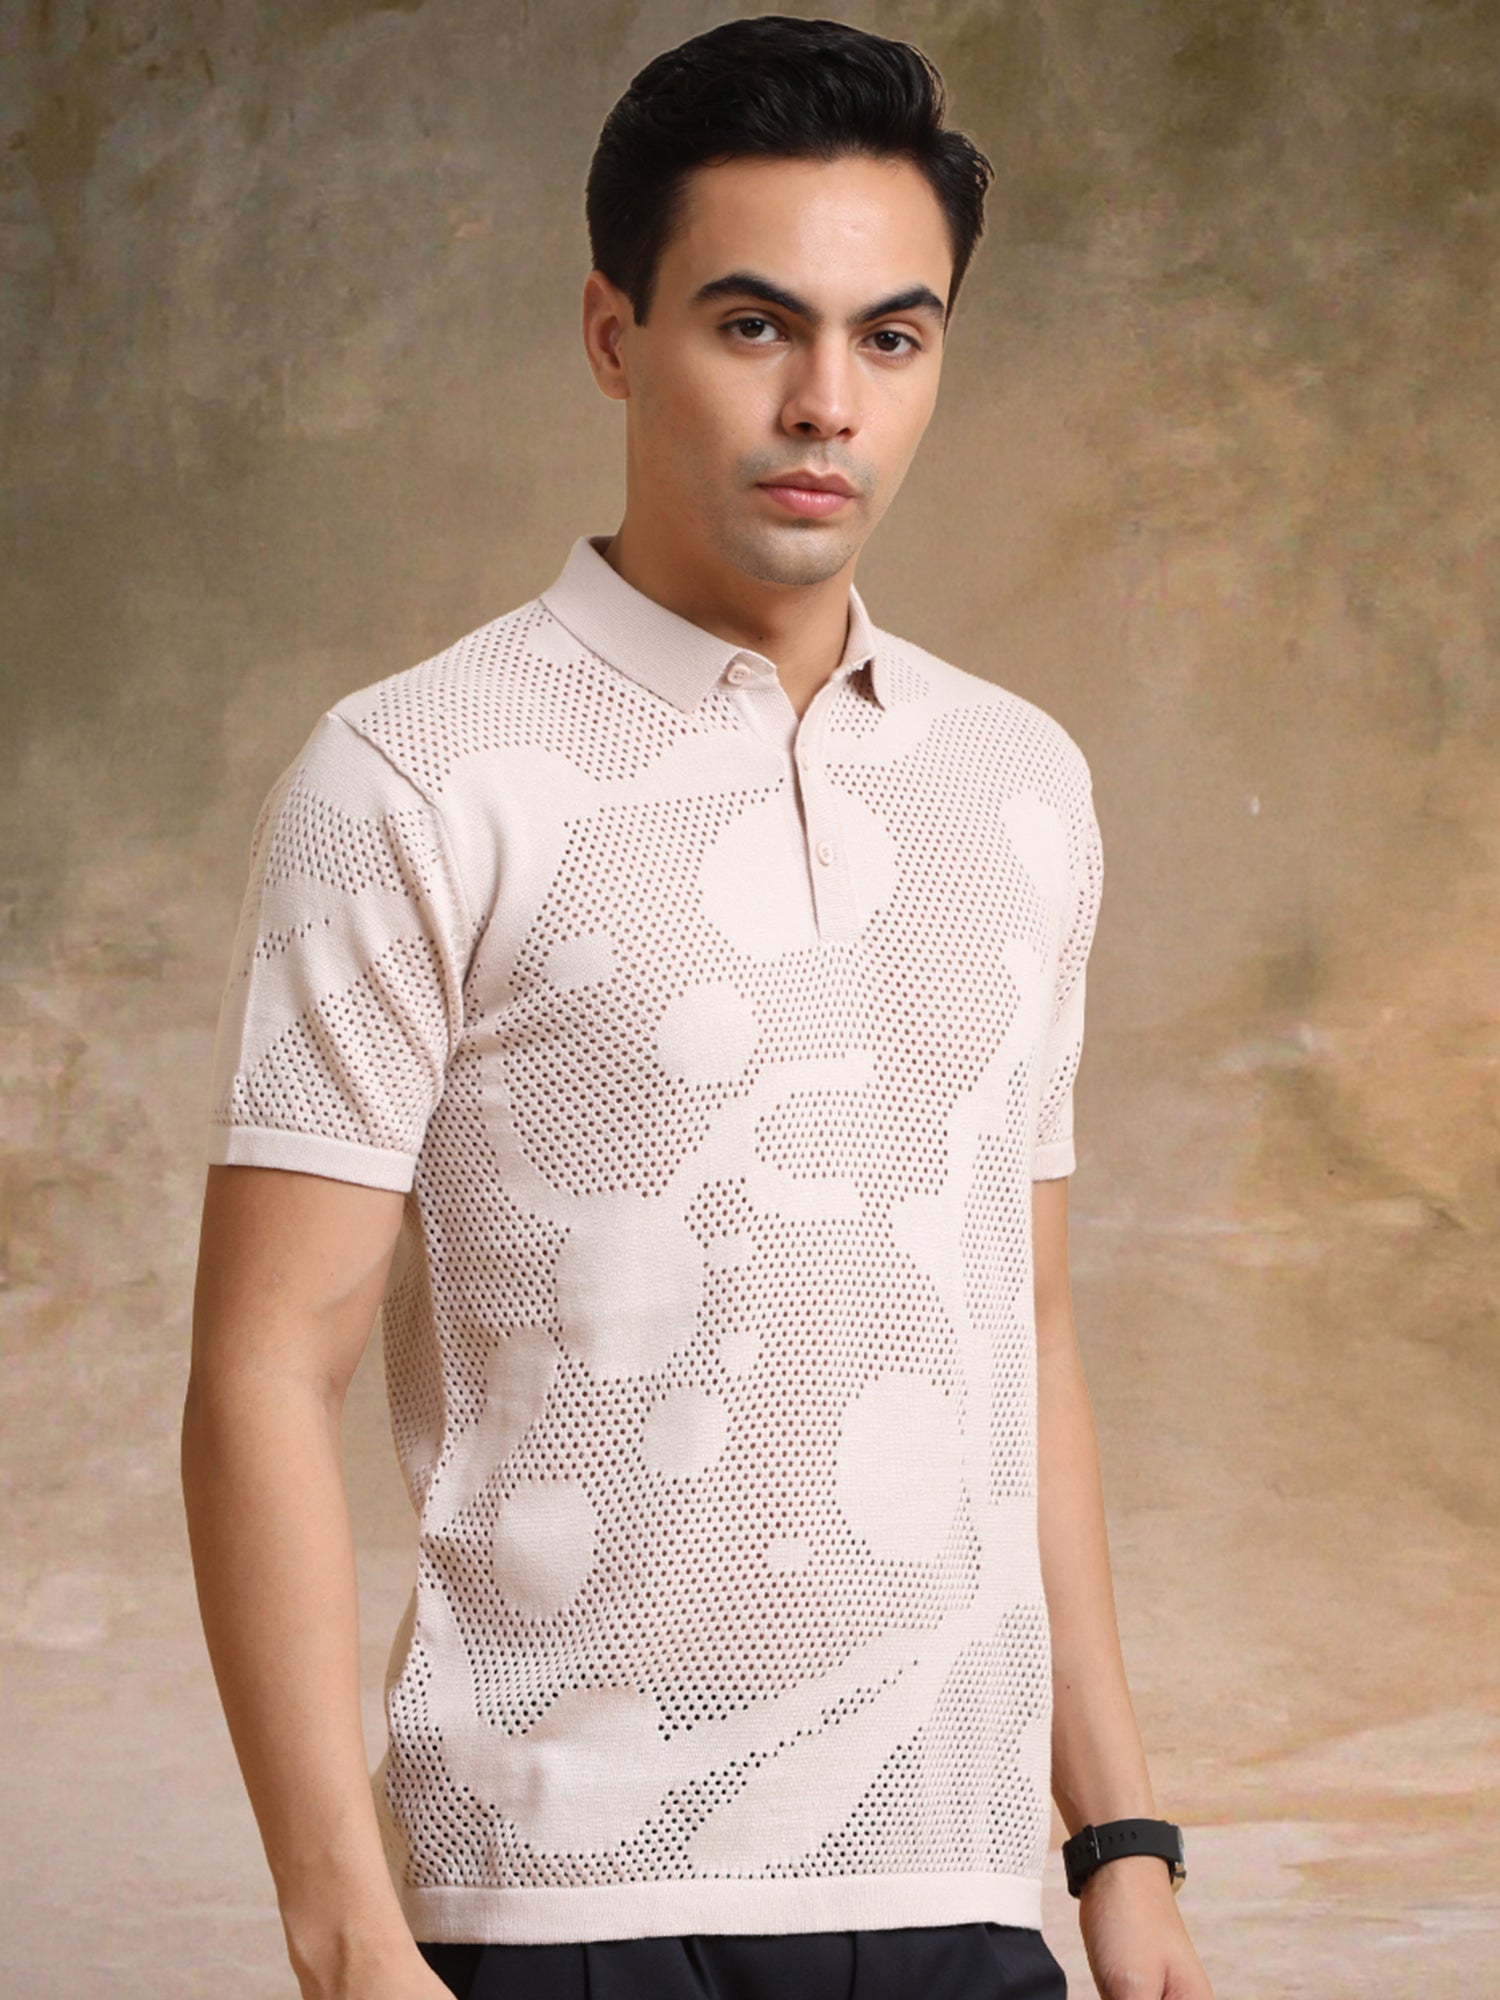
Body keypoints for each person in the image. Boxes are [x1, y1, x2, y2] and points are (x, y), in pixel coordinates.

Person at [181, 15, 1215, 2000]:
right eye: (755, 326)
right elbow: (261, 1370)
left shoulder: (1024, 786)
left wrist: (1120, 1843)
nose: (827, 403)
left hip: (955, 1875)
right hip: (555, 1899)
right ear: (612, 334)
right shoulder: (415, 778)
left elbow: (1024, 1334)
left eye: (892, 337)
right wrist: (345, 1934)